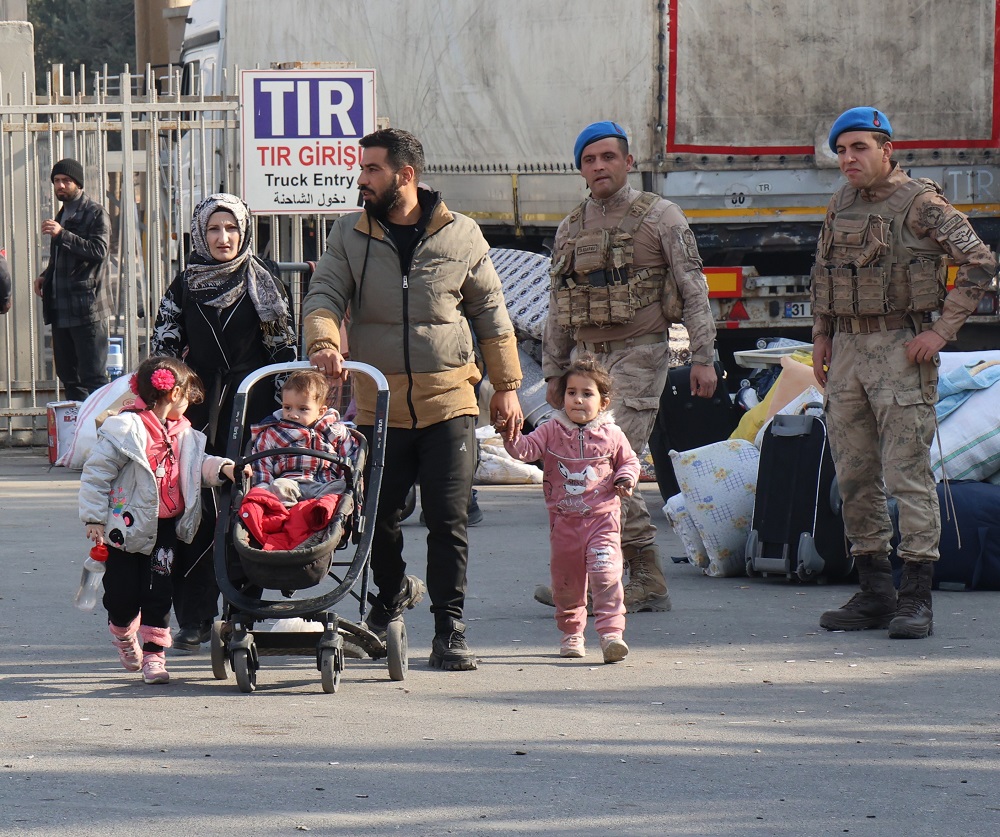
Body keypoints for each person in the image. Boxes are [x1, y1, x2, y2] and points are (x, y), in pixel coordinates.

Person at [304, 128, 522, 672]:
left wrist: (509, 388)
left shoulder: (462, 235)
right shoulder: (349, 235)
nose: (362, 179)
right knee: (376, 514)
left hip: (451, 400)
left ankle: (450, 629)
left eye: (372, 169)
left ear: (406, 175)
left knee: (449, 520)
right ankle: (394, 589)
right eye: (362, 169)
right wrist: (325, 340)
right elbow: (325, 293)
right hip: (380, 405)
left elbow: (492, 315)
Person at [812, 107, 998, 639]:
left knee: (907, 475)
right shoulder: (840, 201)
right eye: (842, 150)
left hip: (900, 349)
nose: (848, 158)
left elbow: (981, 262)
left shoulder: (922, 204)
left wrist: (941, 332)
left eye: (859, 148)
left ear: (886, 149)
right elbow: (823, 269)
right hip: (847, 350)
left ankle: (916, 595)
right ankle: (874, 590)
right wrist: (822, 335)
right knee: (854, 474)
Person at [536, 120, 717, 614]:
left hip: (640, 353)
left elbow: (694, 290)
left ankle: (646, 578)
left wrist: (704, 357)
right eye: (590, 160)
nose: (599, 167)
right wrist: (555, 373)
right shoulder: (571, 227)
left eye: (608, 157)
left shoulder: (662, 217)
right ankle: (595, 578)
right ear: (581, 170)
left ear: (628, 162)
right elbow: (558, 306)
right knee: (574, 468)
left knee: (609, 465)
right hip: (584, 362)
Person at [151, 193, 297, 651]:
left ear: (245, 231)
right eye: (213, 229)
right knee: (192, 508)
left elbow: (284, 355)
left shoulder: (265, 281)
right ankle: (194, 617)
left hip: (254, 410)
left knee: (247, 505)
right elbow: (163, 354)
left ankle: (243, 612)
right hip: (194, 410)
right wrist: (165, 408)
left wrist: (284, 417)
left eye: (231, 228)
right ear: (200, 233)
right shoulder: (184, 285)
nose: (223, 237)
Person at [78, 356, 239, 684]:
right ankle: (123, 633)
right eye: (187, 394)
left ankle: (154, 654)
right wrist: (94, 518)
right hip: (123, 528)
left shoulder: (186, 435)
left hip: (165, 527)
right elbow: (96, 474)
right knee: (121, 595)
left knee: (159, 592)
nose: (191, 402)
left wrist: (223, 469)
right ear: (173, 393)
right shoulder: (125, 430)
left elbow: (197, 465)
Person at [502, 356, 640, 663]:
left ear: (603, 402)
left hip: (602, 520)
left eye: (587, 394)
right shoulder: (551, 430)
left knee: (605, 575)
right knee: (567, 583)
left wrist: (624, 477)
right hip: (564, 524)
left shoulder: (612, 434)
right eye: (571, 392)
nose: (578, 399)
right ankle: (572, 634)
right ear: (562, 397)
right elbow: (524, 451)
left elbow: (629, 461)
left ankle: (611, 635)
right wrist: (509, 433)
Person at [32, 158, 113, 400]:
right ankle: (77, 433)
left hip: (87, 309)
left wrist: (62, 234)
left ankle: (99, 432)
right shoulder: (62, 214)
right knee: (69, 377)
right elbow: (65, 259)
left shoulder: (95, 213)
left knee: (93, 377)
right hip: (60, 309)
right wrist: (46, 276)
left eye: (66, 180)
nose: (61, 185)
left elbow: (99, 251)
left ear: (78, 183)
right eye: (57, 181)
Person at [249, 369, 356, 504]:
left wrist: (348, 482)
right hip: (291, 482)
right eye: (287, 407)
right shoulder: (273, 433)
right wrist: (263, 489)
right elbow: (261, 463)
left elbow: (350, 459)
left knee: (341, 488)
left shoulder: (336, 432)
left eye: (303, 409)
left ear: (320, 411)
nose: (293, 414)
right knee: (278, 486)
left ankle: (320, 513)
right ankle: (287, 516)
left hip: (324, 484)